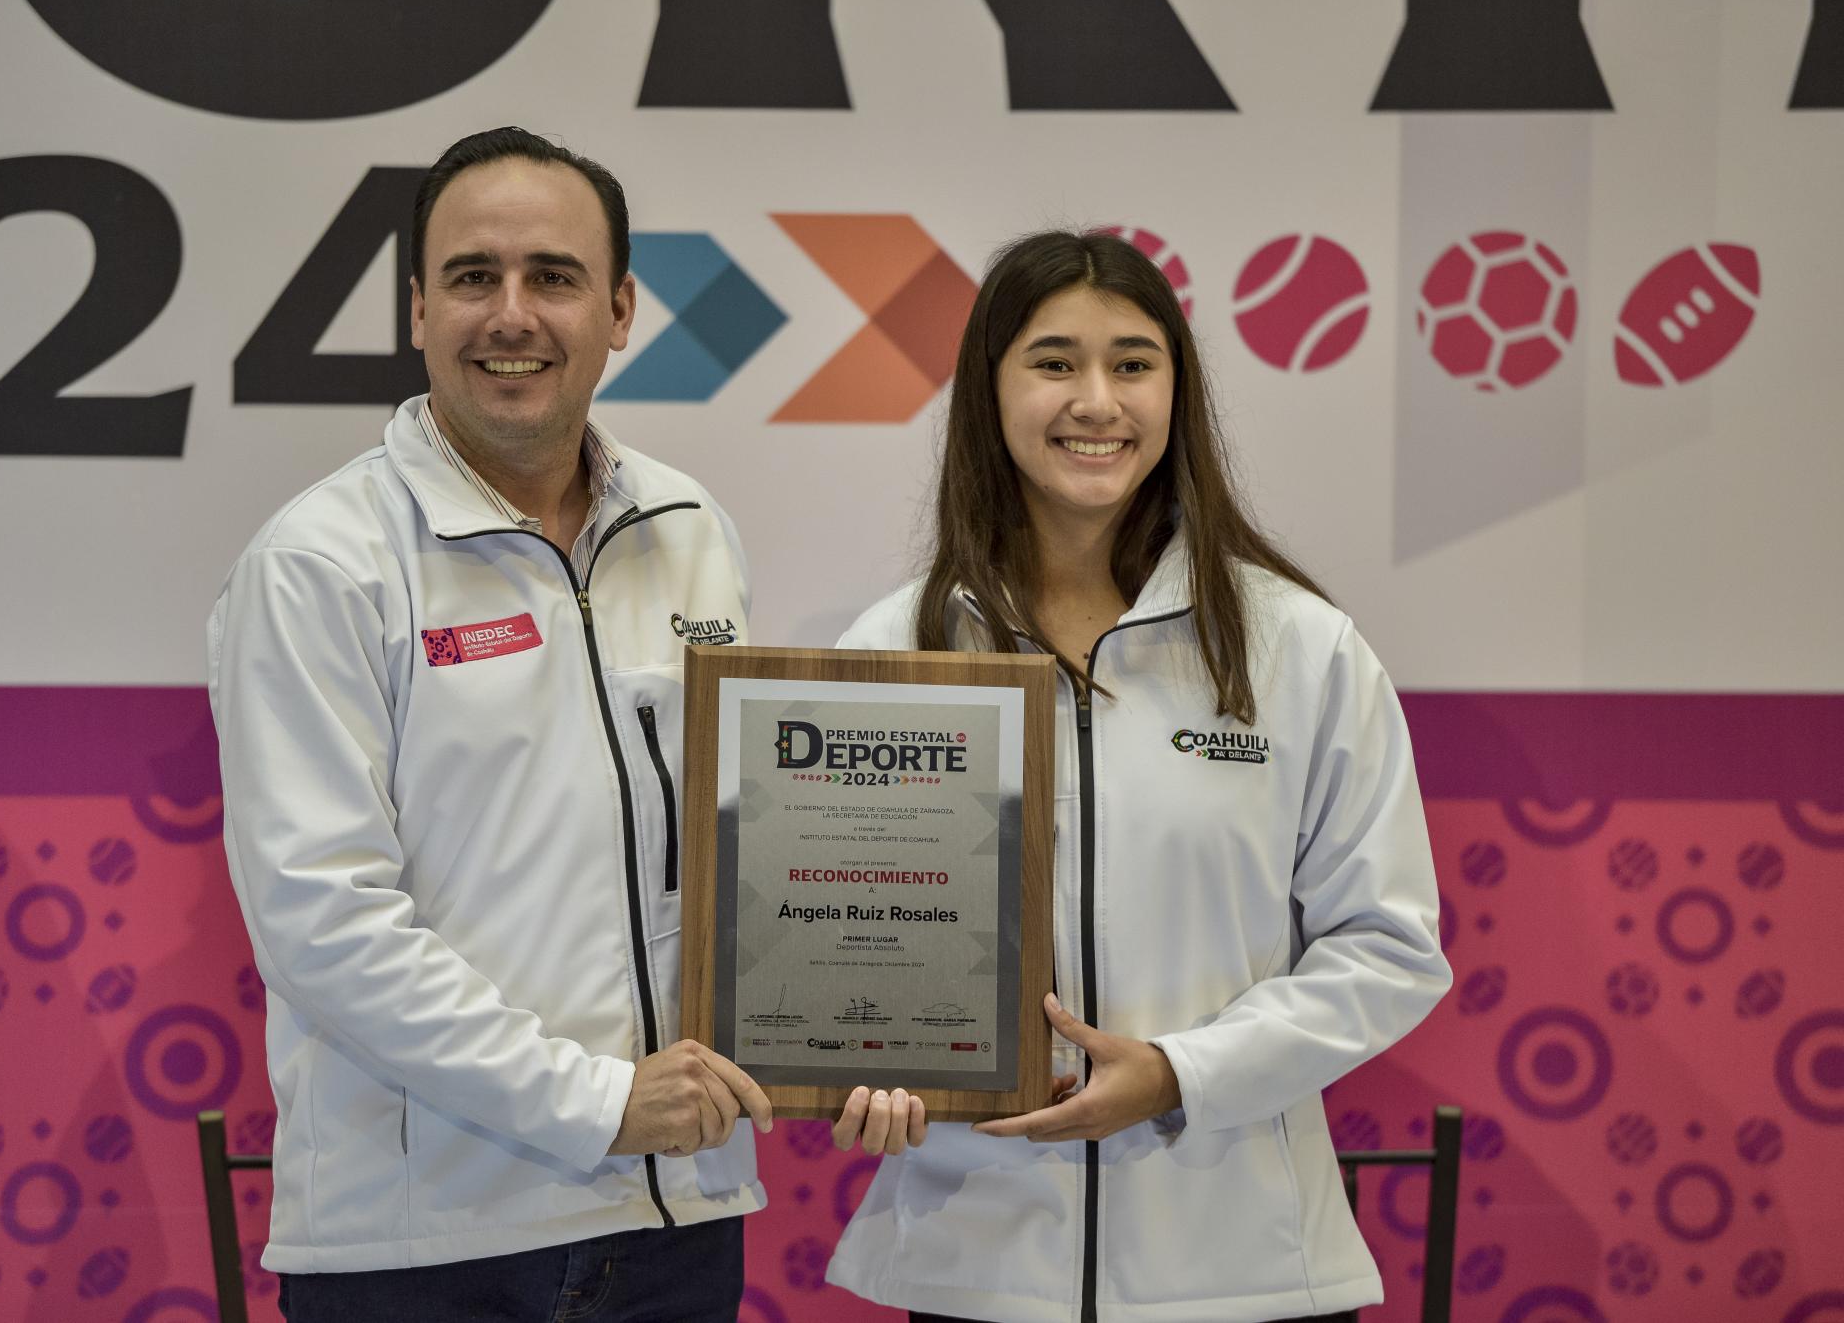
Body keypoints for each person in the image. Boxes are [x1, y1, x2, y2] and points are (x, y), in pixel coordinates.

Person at [824, 230, 1452, 1323]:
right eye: (1053, 361)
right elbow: (830, 936)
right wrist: (847, 1056)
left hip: (1246, 1276)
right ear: (991, 389)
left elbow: (1386, 948)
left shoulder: (1296, 648)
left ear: (1174, 389)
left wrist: (1178, 1073)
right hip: (977, 1269)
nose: (1096, 401)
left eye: (1131, 363)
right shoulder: (894, 649)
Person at [207, 127, 772, 1323]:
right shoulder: (322, 562)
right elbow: (325, 922)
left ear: (619, 309)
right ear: (416, 309)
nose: (511, 313)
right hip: (429, 1245)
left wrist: (868, 1037)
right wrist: (592, 1101)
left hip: (676, 1219)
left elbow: (744, 849)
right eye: (473, 277)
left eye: (553, 278)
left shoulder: (690, 527)